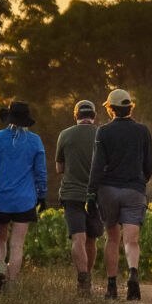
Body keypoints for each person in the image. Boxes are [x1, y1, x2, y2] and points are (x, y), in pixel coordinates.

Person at [0, 99, 46, 294]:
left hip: (0, 199)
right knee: (17, 244)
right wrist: (43, 195)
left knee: (0, 238)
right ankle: (11, 285)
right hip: (24, 200)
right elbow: (41, 173)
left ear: (9, 118)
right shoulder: (35, 141)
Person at [87, 87, 152, 301]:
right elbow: (149, 165)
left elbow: (97, 166)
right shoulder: (142, 131)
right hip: (134, 190)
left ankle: (112, 286)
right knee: (132, 240)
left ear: (111, 109)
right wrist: (140, 180)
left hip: (109, 190)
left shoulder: (103, 132)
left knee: (113, 238)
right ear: (130, 108)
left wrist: (91, 193)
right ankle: (133, 273)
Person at [53, 99, 102, 292]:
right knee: (92, 239)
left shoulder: (64, 135)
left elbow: (59, 168)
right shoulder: (101, 134)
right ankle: (87, 277)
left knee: (77, 238)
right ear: (94, 116)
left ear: (76, 116)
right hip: (95, 195)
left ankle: (82, 278)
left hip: (72, 194)